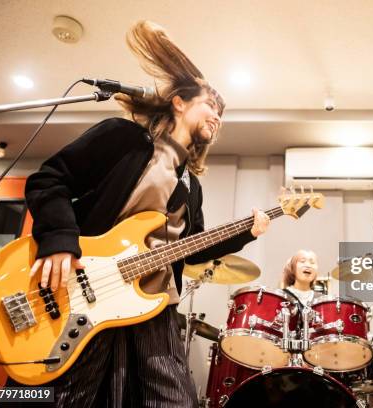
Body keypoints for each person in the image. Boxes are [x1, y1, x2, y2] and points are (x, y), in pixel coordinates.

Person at [23, 21, 270, 408]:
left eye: (222, 113)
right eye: (211, 105)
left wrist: (247, 233)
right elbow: (50, 179)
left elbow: (191, 249)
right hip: (89, 293)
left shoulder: (191, 186)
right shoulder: (123, 139)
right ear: (179, 102)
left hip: (153, 310)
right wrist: (58, 239)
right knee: (74, 399)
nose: (218, 117)